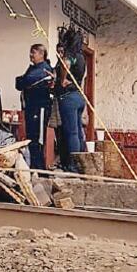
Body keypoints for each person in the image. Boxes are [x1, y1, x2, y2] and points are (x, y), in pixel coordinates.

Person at [15, 43, 54, 170]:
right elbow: (19, 83)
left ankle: (40, 168)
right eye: (30, 52)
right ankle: (34, 166)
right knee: (31, 138)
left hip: (40, 108)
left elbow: (25, 81)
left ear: (42, 54)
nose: (31, 55)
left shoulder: (44, 69)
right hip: (30, 108)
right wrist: (22, 80)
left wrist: (23, 79)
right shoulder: (33, 68)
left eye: (34, 52)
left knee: (38, 139)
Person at [55, 29, 87, 172]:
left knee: (71, 132)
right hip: (79, 95)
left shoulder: (70, 55)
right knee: (79, 131)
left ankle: (72, 165)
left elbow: (65, 64)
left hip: (68, 97)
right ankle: (81, 163)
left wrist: (62, 80)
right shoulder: (80, 56)